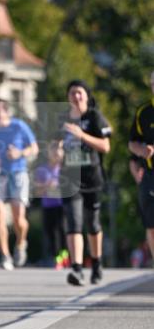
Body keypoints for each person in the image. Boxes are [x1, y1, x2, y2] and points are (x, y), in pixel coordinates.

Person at [59, 79, 111, 286]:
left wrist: (82, 135)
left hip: (92, 178)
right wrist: (56, 151)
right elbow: (53, 149)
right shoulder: (61, 120)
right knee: (74, 221)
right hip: (69, 180)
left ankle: (96, 263)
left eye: (80, 92)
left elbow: (105, 146)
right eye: (72, 93)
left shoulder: (94, 117)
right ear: (67, 97)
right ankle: (77, 268)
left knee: (93, 223)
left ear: (87, 96)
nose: (76, 96)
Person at [0, 98, 38, 270]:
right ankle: (5, 255)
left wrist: (19, 153)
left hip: (18, 173)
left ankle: (20, 243)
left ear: (6, 111)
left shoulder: (19, 126)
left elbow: (34, 148)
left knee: (19, 219)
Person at [128, 69, 154, 263]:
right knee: (151, 225)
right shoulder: (143, 112)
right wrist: (141, 151)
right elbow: (132, 142)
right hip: (150, 174)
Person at [34, 140, 66, 267]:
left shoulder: (65, 169)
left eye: (58, 149)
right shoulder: (42, 170)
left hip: (63, 205)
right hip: (48, 205)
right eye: (53, 150)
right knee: (51, 232)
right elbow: (37, 192)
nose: (56, 153)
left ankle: (64, 256)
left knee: (63, 230)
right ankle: (56, 257)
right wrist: (47, 186)